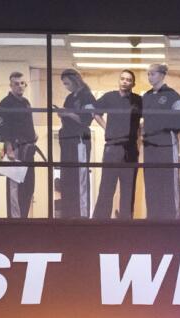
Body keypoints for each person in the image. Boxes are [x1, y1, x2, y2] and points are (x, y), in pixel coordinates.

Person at [91, 69, 141, 220]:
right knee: (107, 186)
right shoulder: (110, 97)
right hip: (112, 147)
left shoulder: (138, 100)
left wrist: (138, 130)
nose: (125, 81)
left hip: (130, 148)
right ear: (119, 81)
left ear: (133, 83)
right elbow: (95, 112)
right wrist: (107, 127)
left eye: (128, 79)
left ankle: (126, 221)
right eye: (122, 79)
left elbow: (149, 118)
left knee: (128, 188)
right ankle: (100, 221)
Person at [141, 63, 180, 221]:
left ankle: (171, 221)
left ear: (161, 75)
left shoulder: (173, 96)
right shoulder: (145, 97)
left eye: (152, 74)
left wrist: (172, 137)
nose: (149, 77)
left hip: (166, 144)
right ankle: (153, 220)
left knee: (168, 183)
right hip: (149, 145)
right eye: (148, 74)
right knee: (151, 184)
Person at [0, 71, 38, 218]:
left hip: (28, 149)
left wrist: (33, 136)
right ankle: (15, 220)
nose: (20, 86)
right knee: (15, 187)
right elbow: (3, 129)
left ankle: (24, 218)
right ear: (11, 85)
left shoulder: (26, 103)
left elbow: (28, 124)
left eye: (22, 83)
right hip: (15, 149)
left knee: (29, 187)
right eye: (16, 84)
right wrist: (9, 149)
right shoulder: (5, 104)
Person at [56, 69, 96, 218]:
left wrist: (68, 113)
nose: (66, 86)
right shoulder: (69, 98)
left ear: (74, 80)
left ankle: (82, 214)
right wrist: (62, 113)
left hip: (79, 139)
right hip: (67, 139)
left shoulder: (87, 97)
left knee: (80, 177)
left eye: (67, 83)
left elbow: (86, 120)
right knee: (67, 177)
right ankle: (68, 212)